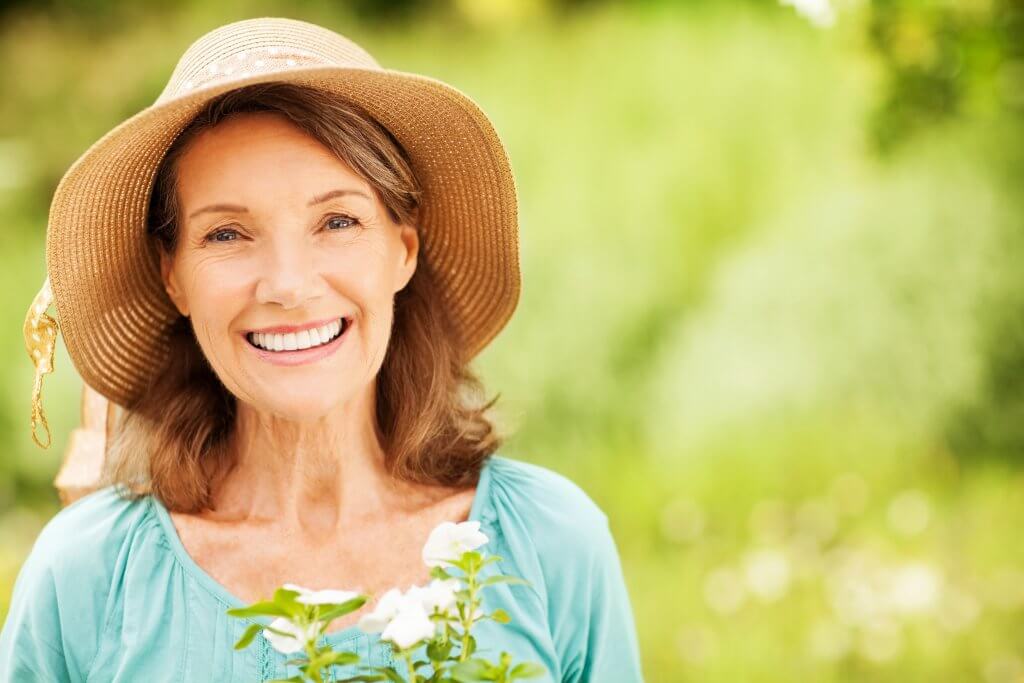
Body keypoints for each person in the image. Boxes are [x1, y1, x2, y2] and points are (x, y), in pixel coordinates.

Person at [0, 17, 644, 682]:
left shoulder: (552, 545)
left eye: (337, 221)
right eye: (226, 234)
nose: (288, 285)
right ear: (173, 275)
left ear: (403, 249)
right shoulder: (86, 576)